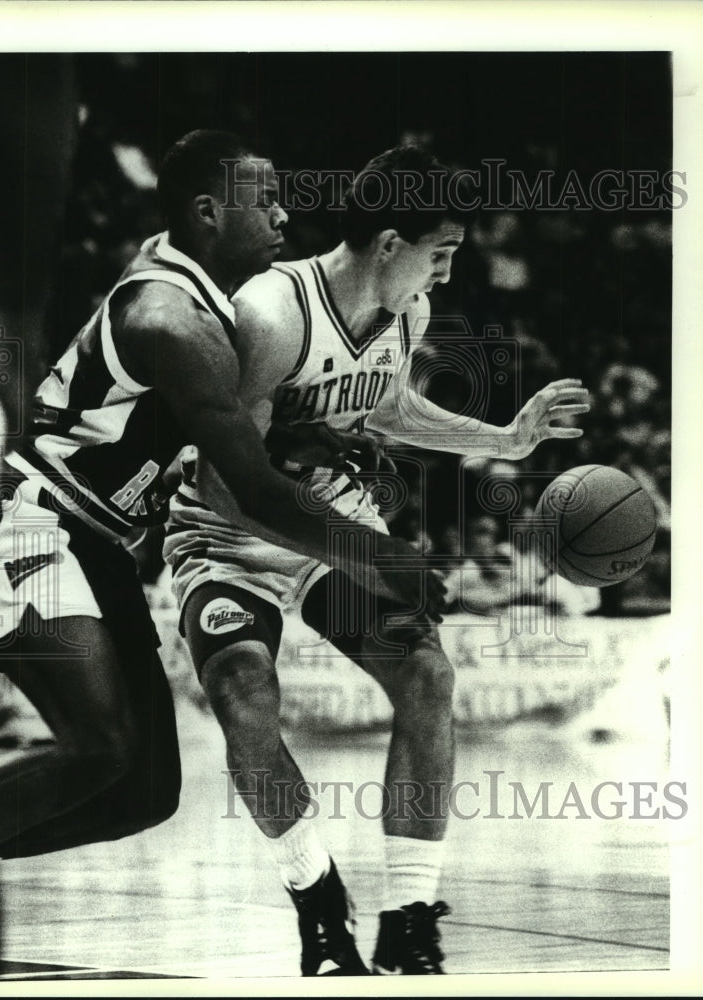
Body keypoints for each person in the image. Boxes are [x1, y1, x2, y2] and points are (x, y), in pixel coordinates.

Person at [163, 144, 590, 975]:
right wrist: (364, 552)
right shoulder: (272, 314)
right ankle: (316, 898)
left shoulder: (407, 316)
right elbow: (224, 486)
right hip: (229, 539)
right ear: (390, 244)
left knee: (428, 675)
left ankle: (407, 915)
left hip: (333, 533)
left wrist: (503, 437)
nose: (446, 276)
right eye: (442, 254)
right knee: (244, 692)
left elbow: (385, 401)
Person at [0, 130, 440, 861]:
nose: (285, 217)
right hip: (35, 527)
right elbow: (249, 491)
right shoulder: (172, 320)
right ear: (208, 213)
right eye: (267, 201)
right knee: (97, 751)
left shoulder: (199, 295)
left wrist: (305, 439)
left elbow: (227, 440)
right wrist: (377, 556)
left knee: (146, 793)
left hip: (98, 546)